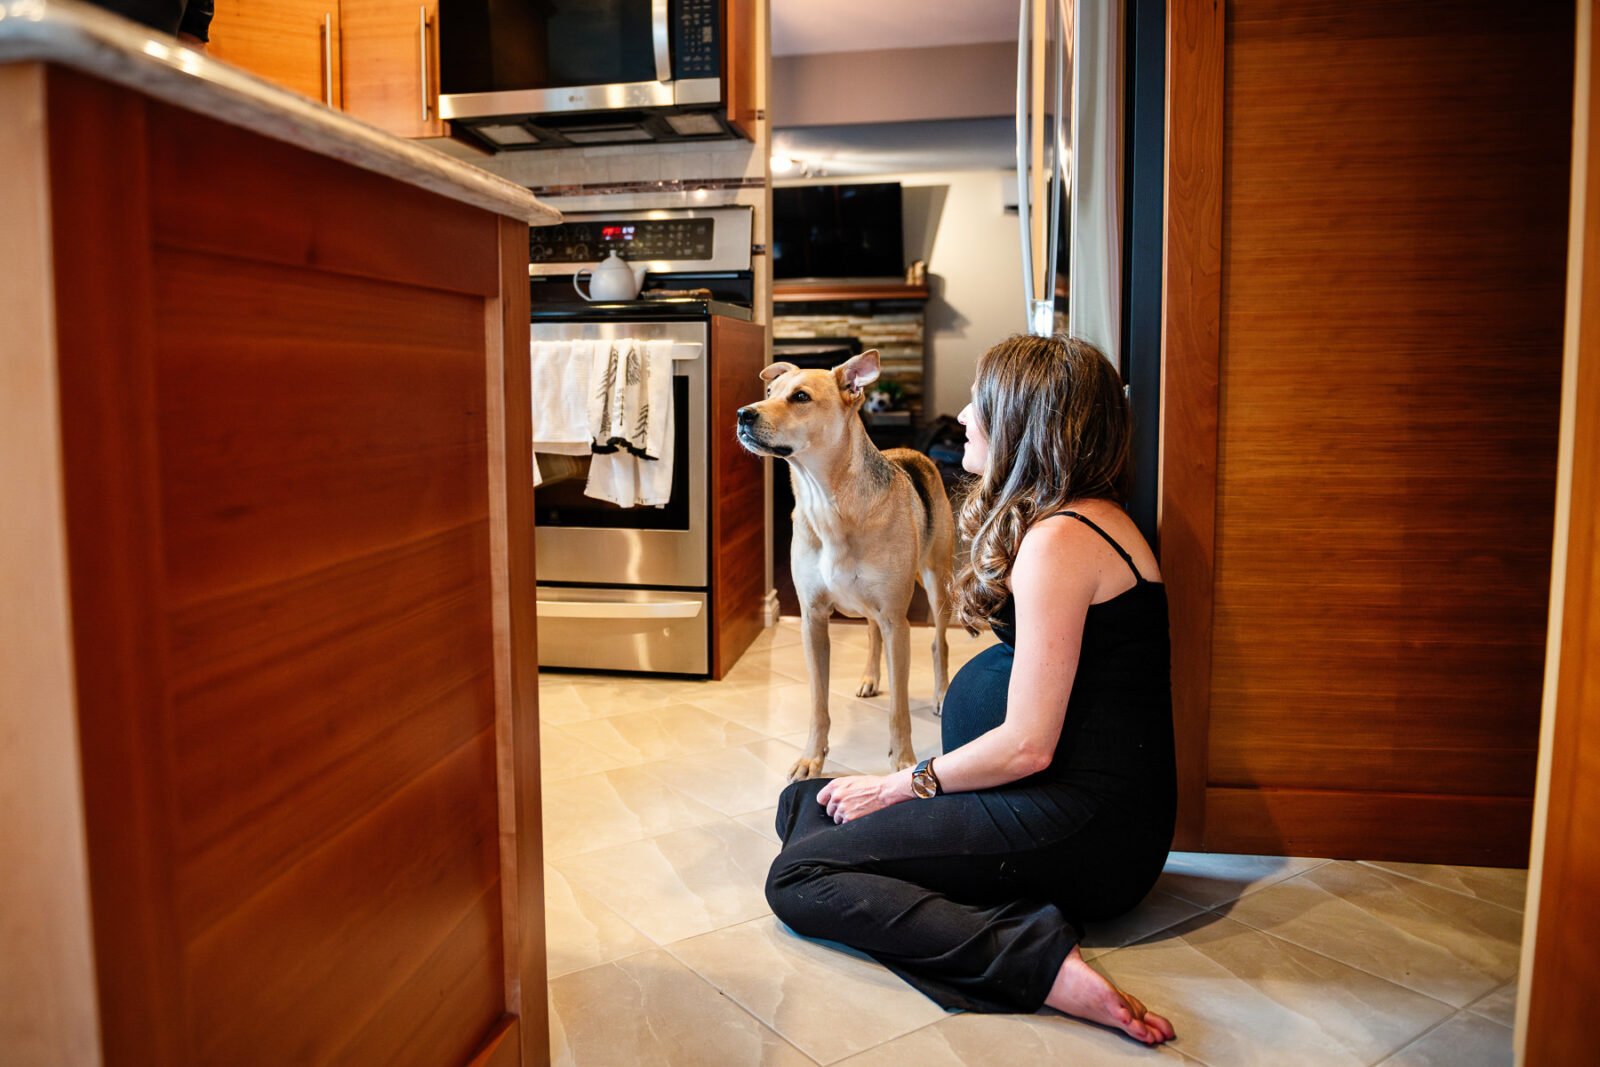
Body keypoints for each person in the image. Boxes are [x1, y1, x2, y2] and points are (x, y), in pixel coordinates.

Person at [765, 334, 1178, 1045]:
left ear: (1024, 421)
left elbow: (1026, 745)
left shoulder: (1063, 541)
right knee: (805, 802)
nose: (961, 415)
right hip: (1054, 803)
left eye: (978, 405)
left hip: (1084, 828)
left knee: (800, 874)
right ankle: (986, 900)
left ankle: (1038, 961)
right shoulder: (1068, 519)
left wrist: (903, 784)